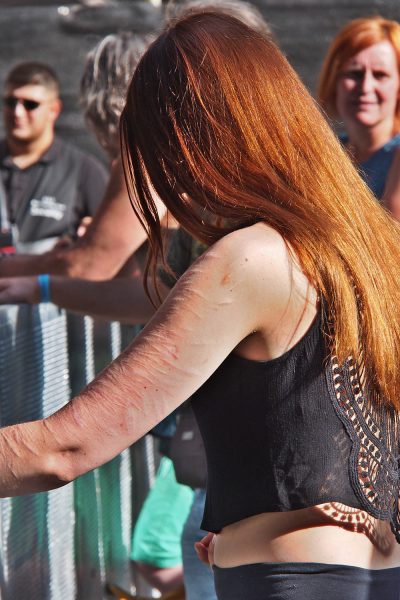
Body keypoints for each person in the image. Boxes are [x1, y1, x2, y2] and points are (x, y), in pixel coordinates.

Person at [2, 9, 400, 600]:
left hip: (298, 583)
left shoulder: (249, 260)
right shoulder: (361, 244)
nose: (168, 184)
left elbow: (66, 447)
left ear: (194, 140)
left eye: (160, 151)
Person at [0, 62, 108, 253]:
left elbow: (108, 250)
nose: (17, 112)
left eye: (30, 104)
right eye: (10, 102)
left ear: (54, 110)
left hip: (49, 280)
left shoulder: (84, 171)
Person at [317, 16, 400, 217]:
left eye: (380, 75)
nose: (365, 88)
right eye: (354, 74)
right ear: (334, 80)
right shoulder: (322, 154)